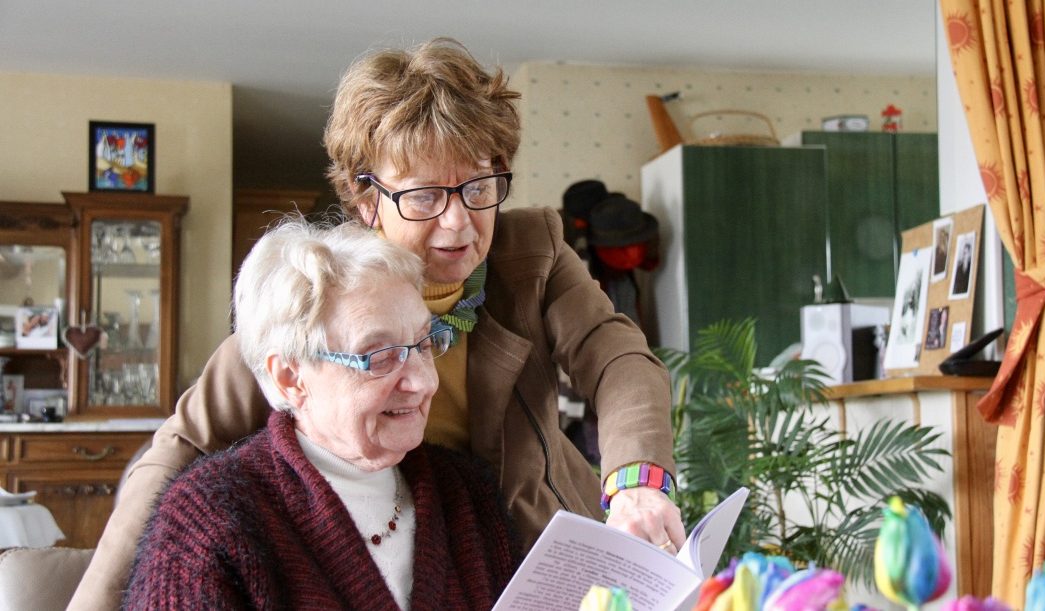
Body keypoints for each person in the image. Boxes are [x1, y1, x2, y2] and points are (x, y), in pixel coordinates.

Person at [72, 37, 678, 608]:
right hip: (407, 553)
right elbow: (179, 451)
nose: (459, 223)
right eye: (424, 196)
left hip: (536, 548)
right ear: (367, 202)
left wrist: (637, 484)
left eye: (479, 186)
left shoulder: (531, 252)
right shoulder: (321, 297)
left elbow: (617, 357)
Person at [124, 219, 519, 609]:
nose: (423, 382)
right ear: (290, 377)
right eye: (379, 355)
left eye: (424, 344)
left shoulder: (468, 496)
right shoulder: (206, 523)